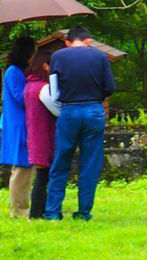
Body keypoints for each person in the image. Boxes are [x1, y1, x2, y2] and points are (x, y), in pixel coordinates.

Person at [43, 26, 115, 221]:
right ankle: (83, 212)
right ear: (88, 41)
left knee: (61, 160)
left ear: (68, 41)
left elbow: (54, 88)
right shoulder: (100, 57)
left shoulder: (58, 56)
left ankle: (52, 211)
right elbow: (110, 87)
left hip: (69, 111)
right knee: (90, 162)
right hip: (93, 110)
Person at [0, 34, 36, 217]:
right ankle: (19, 209)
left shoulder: (16, 72)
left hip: (19, 123)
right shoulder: (14, 72)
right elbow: (21, 97)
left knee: (24, 169)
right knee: (22, 168)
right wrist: (36, 87)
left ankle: (20, 207)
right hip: (19, 124)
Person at [22, 43, 57, 219]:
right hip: (46, 137)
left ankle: (37, 213)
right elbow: (58, 110)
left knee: (41, 176)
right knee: (44, 178)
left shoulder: (29, 86)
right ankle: (38, 213)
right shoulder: (43, 88)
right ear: (45, 66)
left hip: (35, 136)